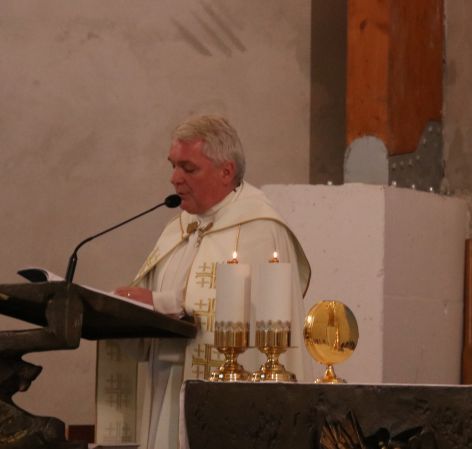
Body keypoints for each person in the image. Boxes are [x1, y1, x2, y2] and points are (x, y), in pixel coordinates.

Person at [95, 114, 311, 449]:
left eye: (188, 168)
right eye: (173, 166)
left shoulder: (260, 229)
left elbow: (239, 321)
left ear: (226, 171)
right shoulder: (177, 230)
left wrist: (161, 303)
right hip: (166, 392)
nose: (174, 178)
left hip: (228, 407)